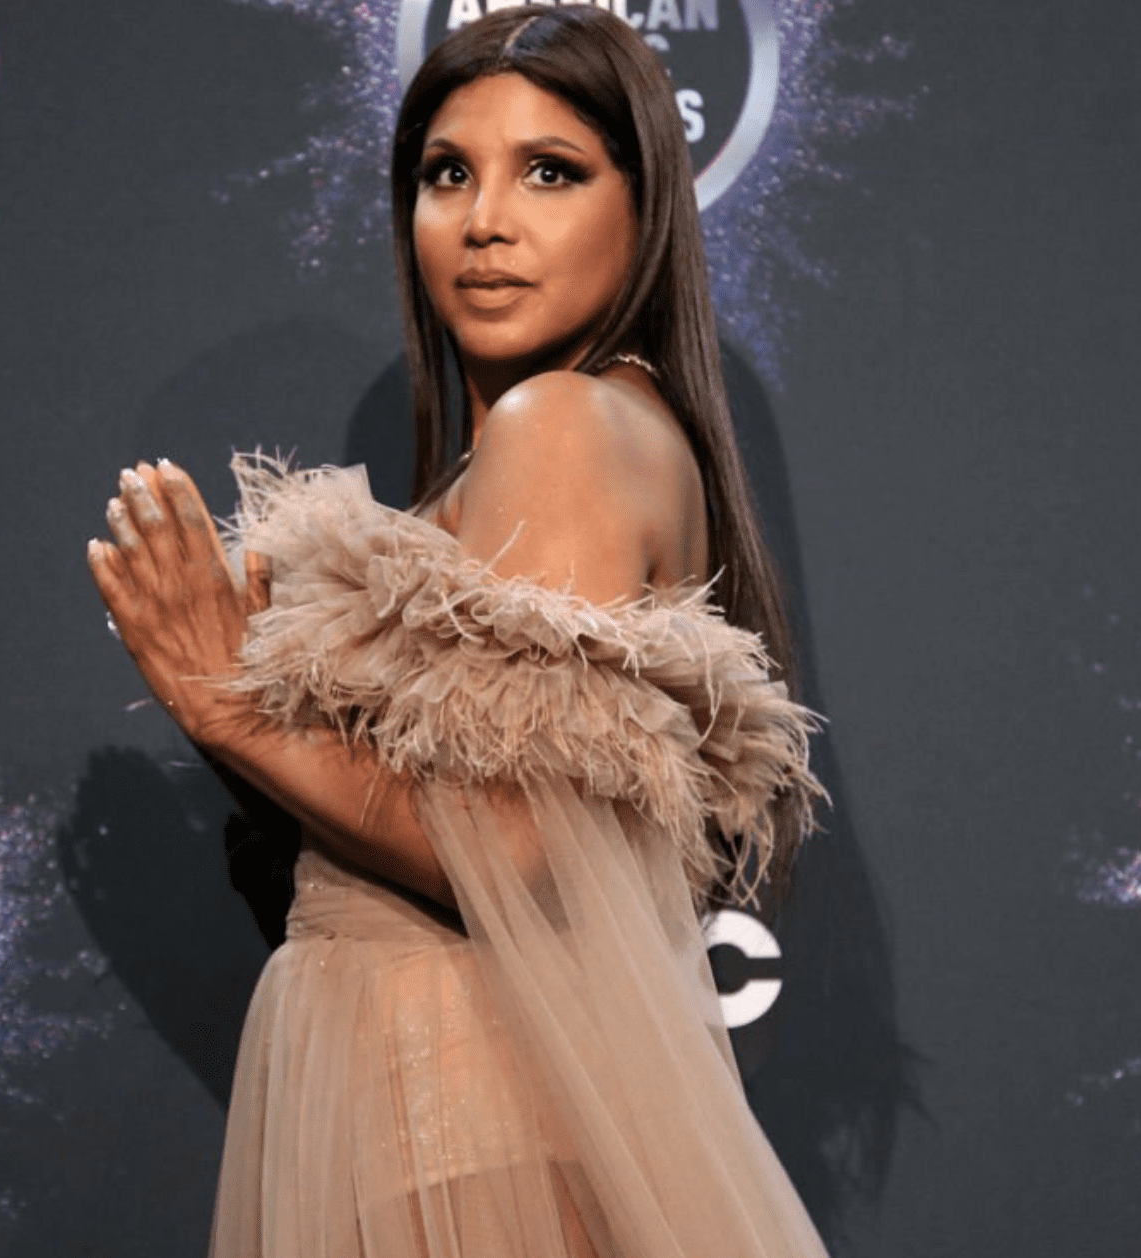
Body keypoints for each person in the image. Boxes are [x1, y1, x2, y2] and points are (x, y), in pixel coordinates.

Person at [88, 6, 830, 1255]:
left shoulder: (562, 424)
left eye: (551, 171)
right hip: (451, 1115)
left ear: (645, 210)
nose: (484, 219)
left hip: (477, 1128)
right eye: (447, 173)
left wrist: (223, 702)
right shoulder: (565, 441)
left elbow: (513, 844)